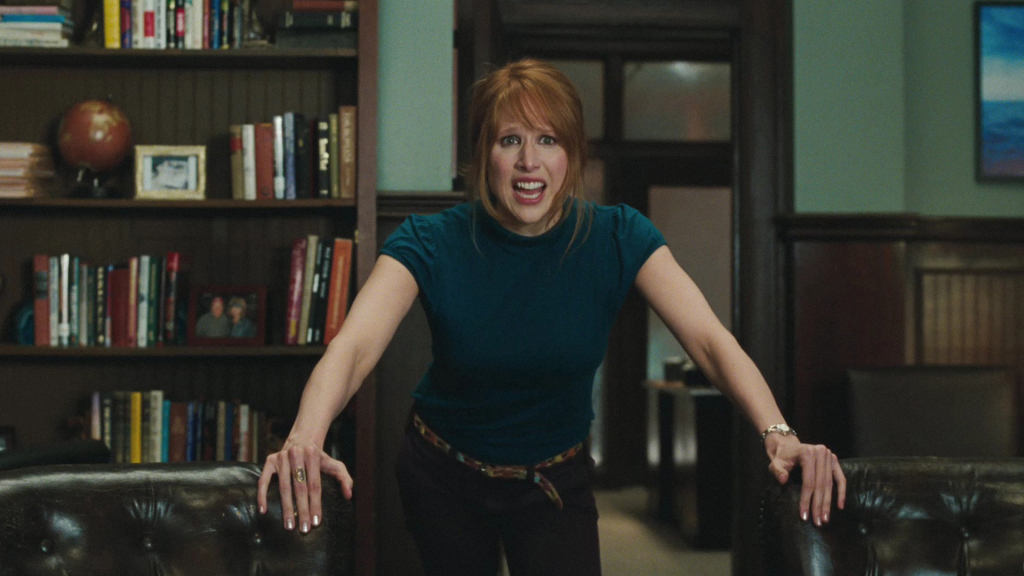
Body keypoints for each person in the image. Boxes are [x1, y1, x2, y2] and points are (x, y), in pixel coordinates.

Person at [257, 59, 846, 575]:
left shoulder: (618, 236)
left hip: (555, 480)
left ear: (573, 154)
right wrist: (306, 436)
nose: (528, 162)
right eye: (509, 140)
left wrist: (779, 434)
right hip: (443, 475)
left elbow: (710, 340)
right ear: (483, 154)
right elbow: (354, 346)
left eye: (548, 140)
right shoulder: (430, 240)